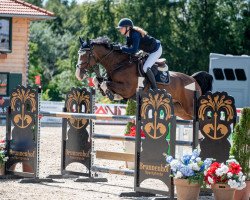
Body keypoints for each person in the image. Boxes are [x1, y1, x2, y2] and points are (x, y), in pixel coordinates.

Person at [116, 18, 162, 90]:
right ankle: (141, 86)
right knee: (137, 64)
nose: (120, 30)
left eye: (121, 28)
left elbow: (134, 50)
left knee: (145, 68)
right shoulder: (128, 35)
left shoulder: (135, 35)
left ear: (128, 28)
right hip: (146, 50)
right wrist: (118, 48)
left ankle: (155, 88)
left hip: (155, 50)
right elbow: (127, 47)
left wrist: (121, 48)